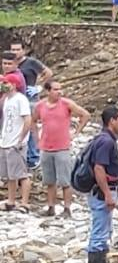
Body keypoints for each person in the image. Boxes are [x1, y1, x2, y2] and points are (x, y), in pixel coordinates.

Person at [33, 81, 89, 217]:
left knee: (65, 180)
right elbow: (33, 120)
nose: (59, 92)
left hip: (62, 147)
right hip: (46, 147)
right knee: (49, 180)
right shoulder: (40, 105)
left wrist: (75, 133)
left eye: (60, 89)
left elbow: (85, 115)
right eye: (55, 89)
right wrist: (36, 139)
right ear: (48, 91)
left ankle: (67, 208)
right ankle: (50, 207)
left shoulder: (66, 103)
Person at [86, 105, 118, 263]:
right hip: (103, 190)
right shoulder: (106, 141)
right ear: (112, 121)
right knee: (100, 229)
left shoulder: (104, 139)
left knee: (104, 228)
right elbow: (99, 168)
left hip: (105, 189)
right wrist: (107, 194)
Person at [10, 40, 50, 170]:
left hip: (30, 98)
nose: (15, 52)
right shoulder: (11, 64)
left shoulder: (31, 63)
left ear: (23, 50)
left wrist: (39, 87)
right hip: (16, 98)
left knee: (31, 126)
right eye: (13, 50)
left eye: (17, 49)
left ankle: (34, 156)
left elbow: (48, 72)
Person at [0, 80, 33, 211]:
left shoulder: (21, 99)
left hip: (16, 142)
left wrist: (21, 139)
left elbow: (27, 119)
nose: (2, 85)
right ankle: (11, 200)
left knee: (22, 174)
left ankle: (24, 203)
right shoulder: (7, 99)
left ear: (14, 84)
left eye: (5, 83)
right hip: (5, 141)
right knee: (10, 174)